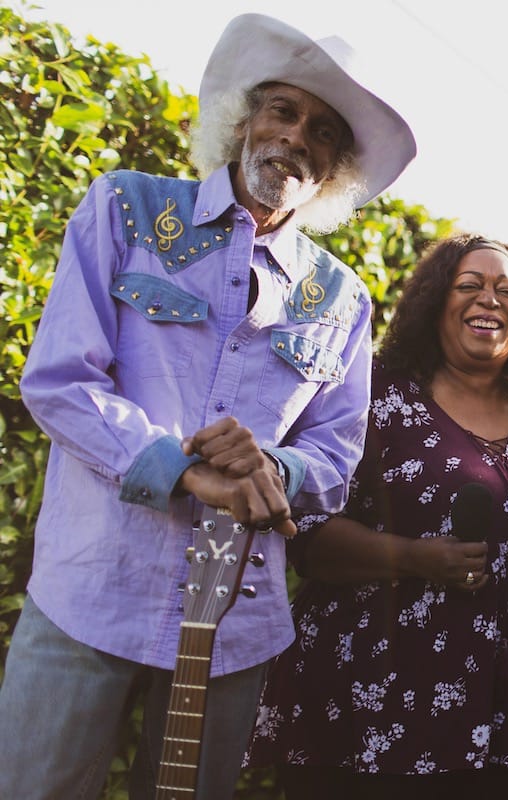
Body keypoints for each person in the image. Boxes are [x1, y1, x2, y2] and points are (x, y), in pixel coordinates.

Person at [0, 13, 415, 799]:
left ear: (336, 167)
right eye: (283, 111)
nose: (297, 137)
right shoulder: (124, 208)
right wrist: (189, 473)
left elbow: (334, 460)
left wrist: (272, 468)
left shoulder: (343, 299)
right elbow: (60, 381)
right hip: (92, 589)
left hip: (236, 626)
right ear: (245, 119)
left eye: (323, 131)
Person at [245, 233, 508, 799]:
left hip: (507, 712)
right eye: (469, 285)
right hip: (369, 703)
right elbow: (308, 536)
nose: (488, 299)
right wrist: (418, 558)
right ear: (437, 301)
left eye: (506, 291)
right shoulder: (374, 397)